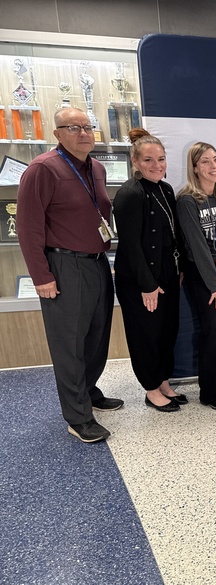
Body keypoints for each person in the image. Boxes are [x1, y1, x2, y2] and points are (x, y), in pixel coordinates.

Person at [17, 107, 122, 443]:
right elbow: (28, 227)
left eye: (87, 127)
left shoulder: (97, 168)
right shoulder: (42, 169)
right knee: (69, 344)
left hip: (97, 262)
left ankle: (88, 391)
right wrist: (41, 276)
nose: (83, 133)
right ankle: (78, 417)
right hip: (64, 266)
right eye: (73, 128)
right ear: (57, 134)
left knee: (96, 336)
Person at [114, 128, 185, 412]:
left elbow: (171, 235)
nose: (157, 165)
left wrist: (178, 269)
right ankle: (151, 388)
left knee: (167, 331)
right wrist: (147, 285)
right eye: (148, 160)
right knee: (146, 334)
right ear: (135, 161)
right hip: (140, 278)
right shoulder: (129, 194)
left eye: (161, 159)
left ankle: (164, 382)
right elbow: (131, 246)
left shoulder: (165, 189)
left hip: (166, 272)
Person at [176, 142, 216, 411]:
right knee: (214, 333)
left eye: (215, 160)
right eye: (205, 162)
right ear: (194, 168)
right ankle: (210, 392)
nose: (214, 166)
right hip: (204, 274)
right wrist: (215, 285)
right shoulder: (187, 201)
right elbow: (197, 246)